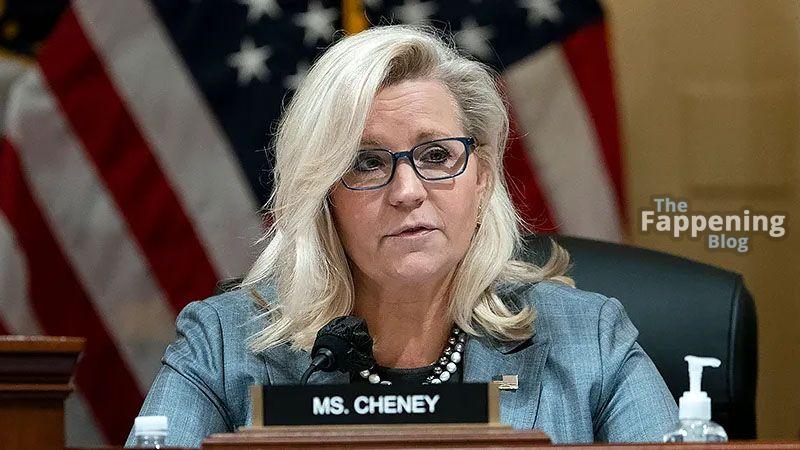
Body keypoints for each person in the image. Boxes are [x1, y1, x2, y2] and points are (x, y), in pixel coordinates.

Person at [126, 25, 677, 447]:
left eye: (436, 155)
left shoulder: (589, 340)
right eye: (367, 163)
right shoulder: (223, 346)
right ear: (324, 196)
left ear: (482, 178)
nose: (408, 191)